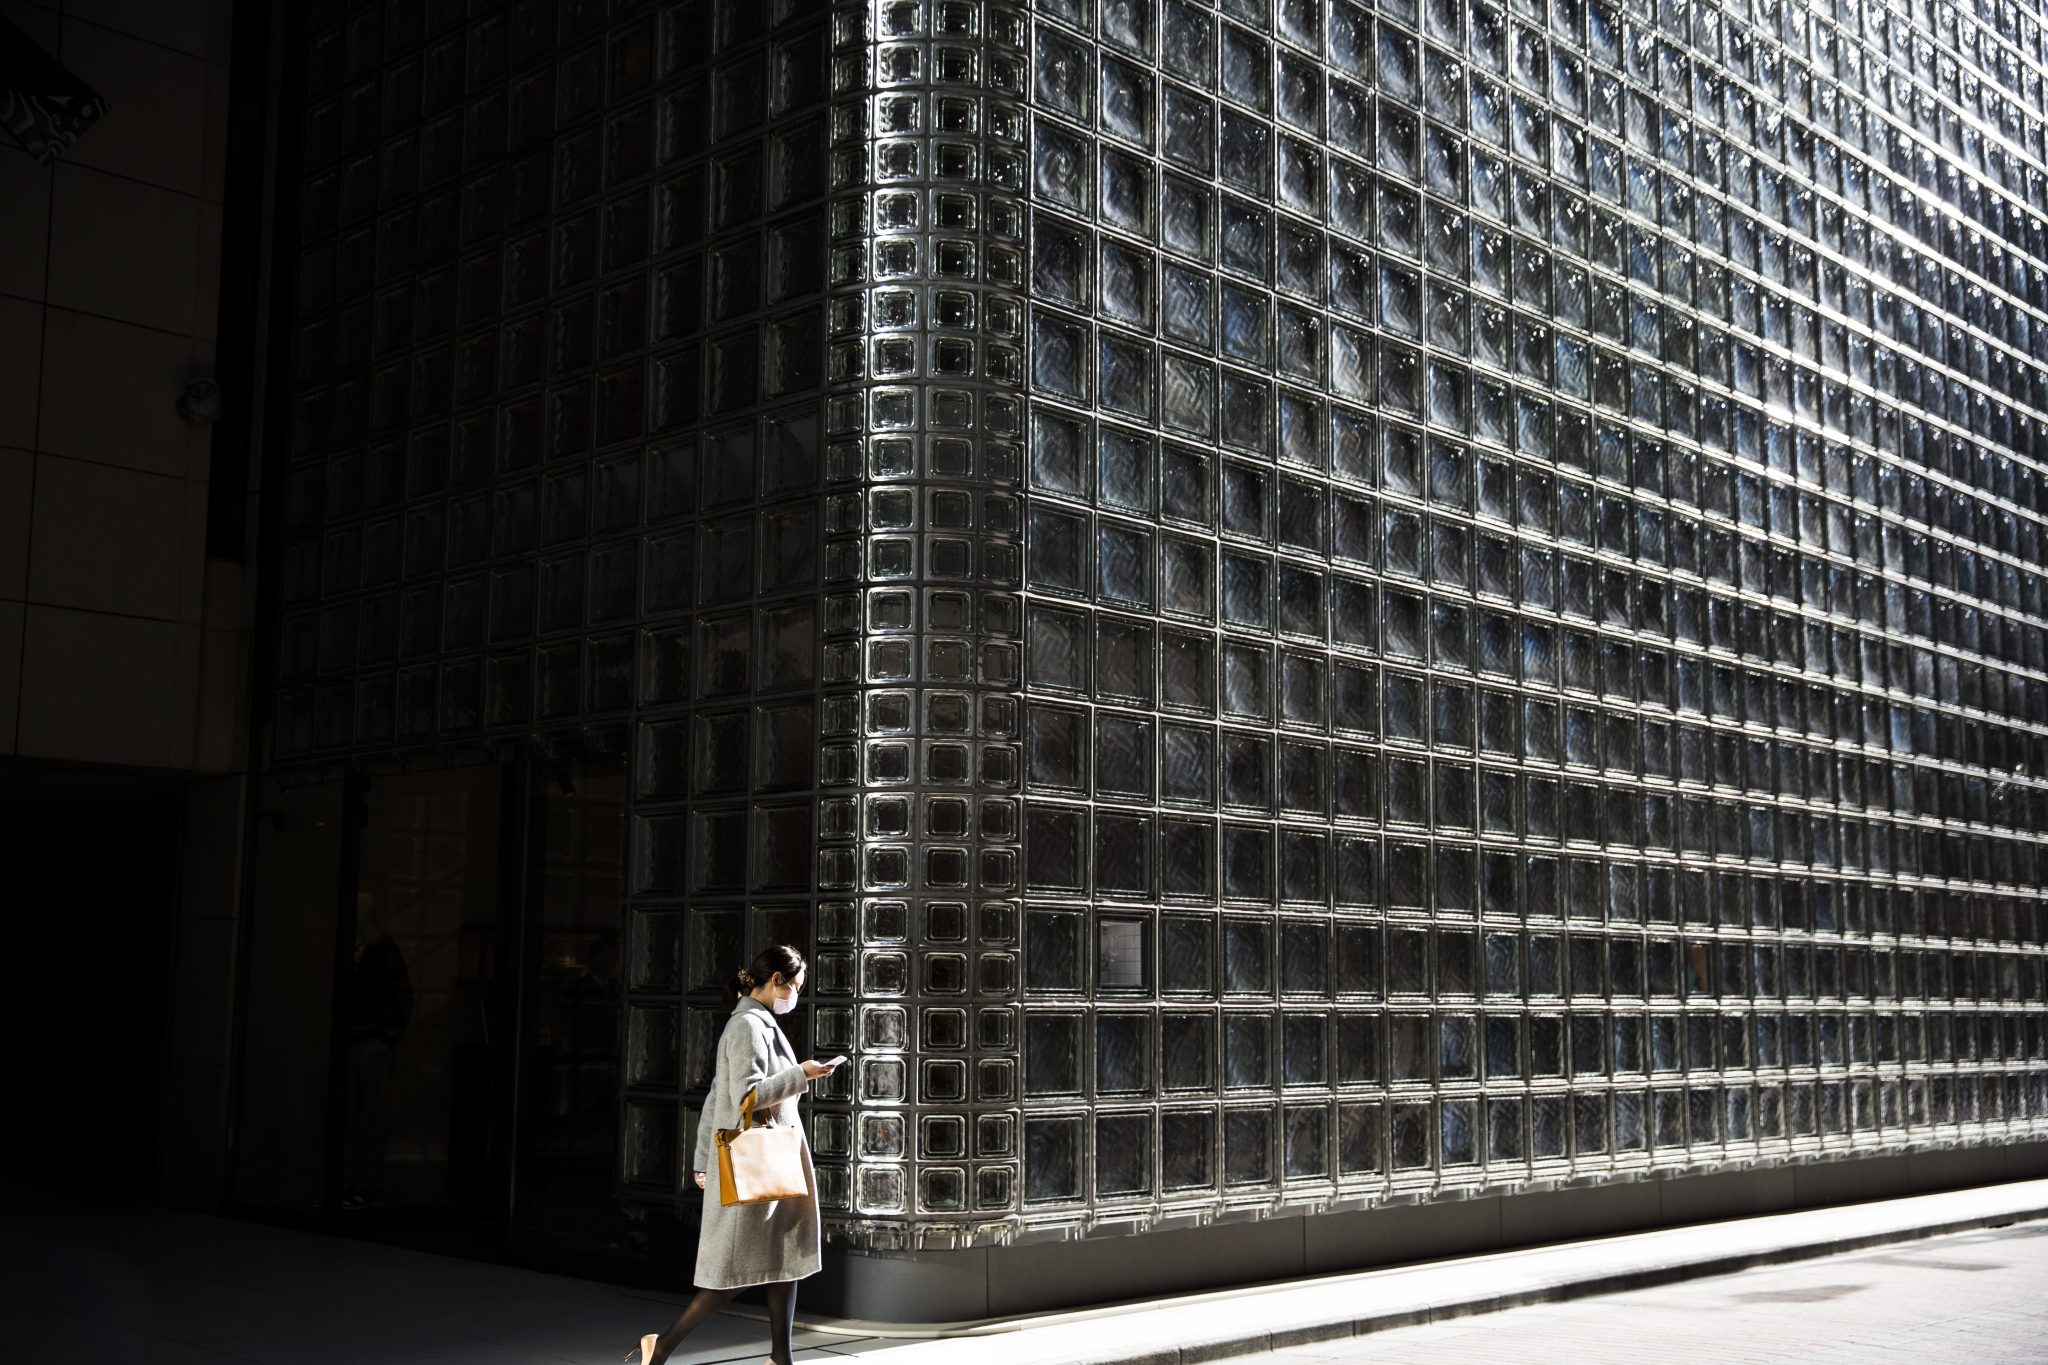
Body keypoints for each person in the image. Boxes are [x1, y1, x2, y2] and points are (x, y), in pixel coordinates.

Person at [626, 945, 840, 1365]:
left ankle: (780, 1358)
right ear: (775, 980)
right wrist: (802, 1074)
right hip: (757, 1161)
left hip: (771, 1158)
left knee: (785, 1259)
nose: (796, 996)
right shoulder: (747, 1026)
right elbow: (746, 1096)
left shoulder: (754, 1022)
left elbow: (715, 1095)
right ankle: (661, 1345)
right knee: (734, 1271)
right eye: (795, 987)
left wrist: (700, 1158)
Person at [342, 891, 413, 1210]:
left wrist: (385, 1041)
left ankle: (368, 1187)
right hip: (355, 1043)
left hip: (370, 1044)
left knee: (371, 1117)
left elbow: (403, 998)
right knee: (349, 1118)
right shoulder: (357, 951)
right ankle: (347, 1183)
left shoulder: (384, 952)